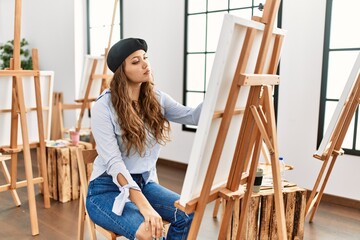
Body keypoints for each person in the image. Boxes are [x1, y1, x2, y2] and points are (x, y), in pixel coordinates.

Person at [87, 38, 202, 240]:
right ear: (122, 72)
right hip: (106, 190)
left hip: (144, 183)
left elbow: (193, 116)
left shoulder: (157, 98)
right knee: (151, 232)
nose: (145, 64)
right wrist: (145, 207)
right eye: (135, 61)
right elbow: (114, 163)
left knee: (188, 213)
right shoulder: (103, 107)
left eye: (145, 58)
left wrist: (221, 87)